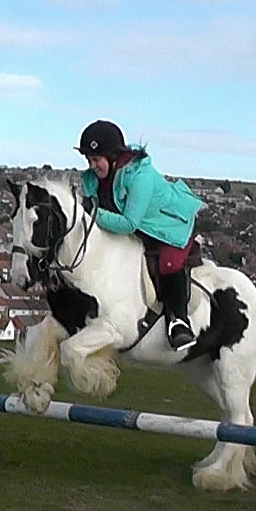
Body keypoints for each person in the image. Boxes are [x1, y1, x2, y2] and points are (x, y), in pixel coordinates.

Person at [76, 119, 203, 352]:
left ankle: (179, 323)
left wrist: (91, 212)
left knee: (168, 264)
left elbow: (128, 223)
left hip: (170, 226)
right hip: (141, 229)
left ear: (113, 157)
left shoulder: (140, 176)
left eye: (96, 159)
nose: (92, 166)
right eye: (89, 160)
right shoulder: (94, 179)